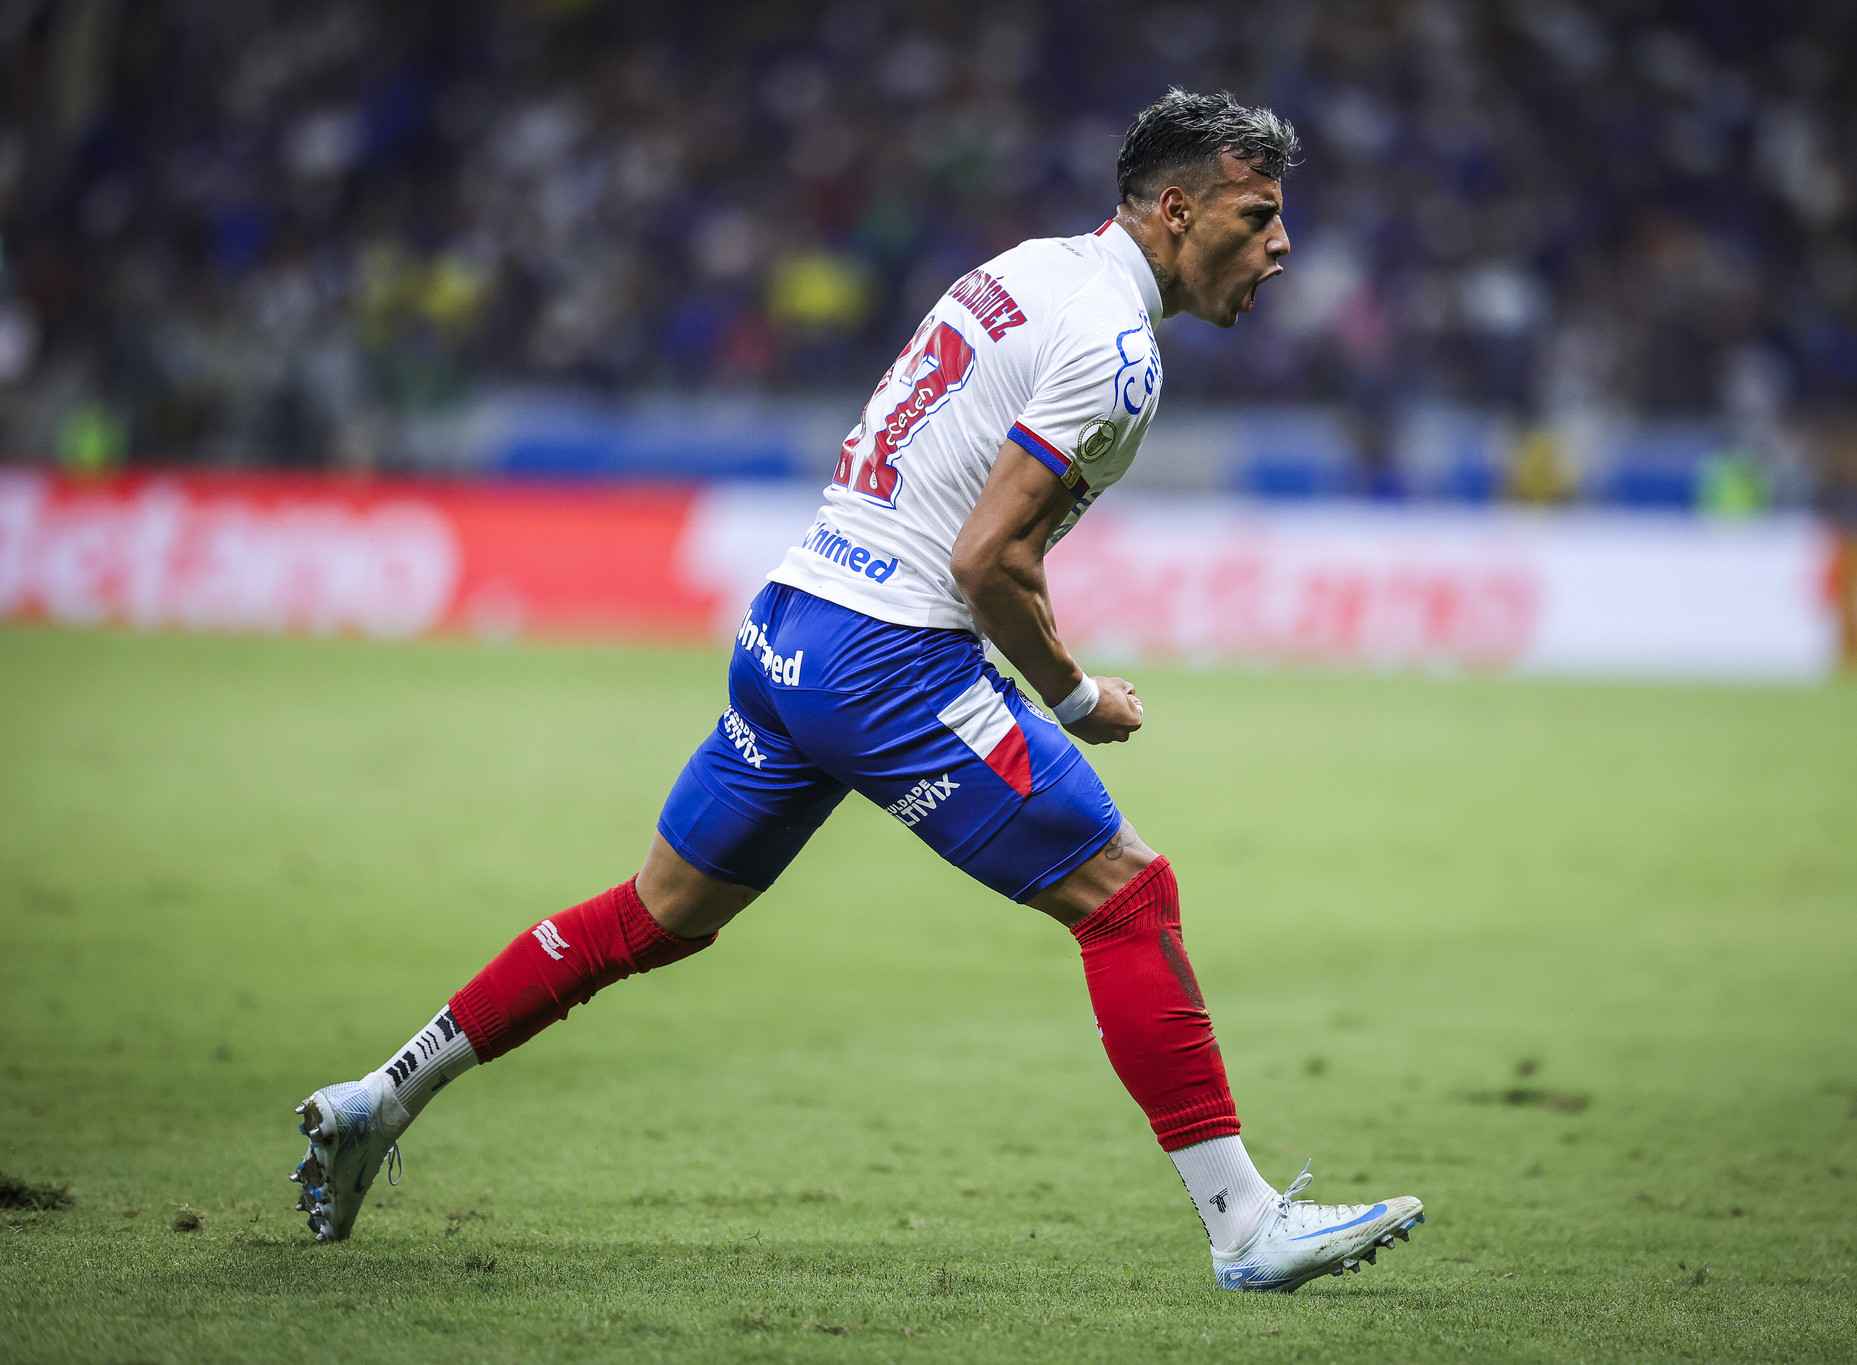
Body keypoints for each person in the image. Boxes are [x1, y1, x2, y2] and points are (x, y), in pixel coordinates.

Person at [289, 88, 1423, 1293]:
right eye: (1257, 218)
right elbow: (988, 561)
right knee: (1127, 900)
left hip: (788, 625)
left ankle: (380, 1095)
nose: (1280, 246)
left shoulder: (1029, 269)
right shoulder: (1120, 351)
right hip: (892, 660)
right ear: (1177, 208)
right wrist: (1075, 697)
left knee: (656, 914)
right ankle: (1243, 1225)